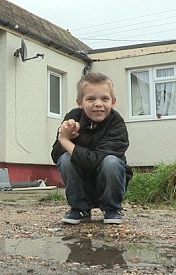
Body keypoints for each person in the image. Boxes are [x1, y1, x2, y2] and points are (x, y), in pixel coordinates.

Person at [51, 72, 132, 224]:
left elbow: (94, 161)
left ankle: (112, 209)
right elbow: (56, 156)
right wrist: (68, 136)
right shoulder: (72, 117)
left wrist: (65, 140)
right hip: (82, 182)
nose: (98, 104)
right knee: (65, 159)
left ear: (113, 102)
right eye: (91, 99)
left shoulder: (116, 124)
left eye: (105, 99)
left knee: (111, 162)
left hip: (108, 183)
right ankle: (79, 208)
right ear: (80, 102)